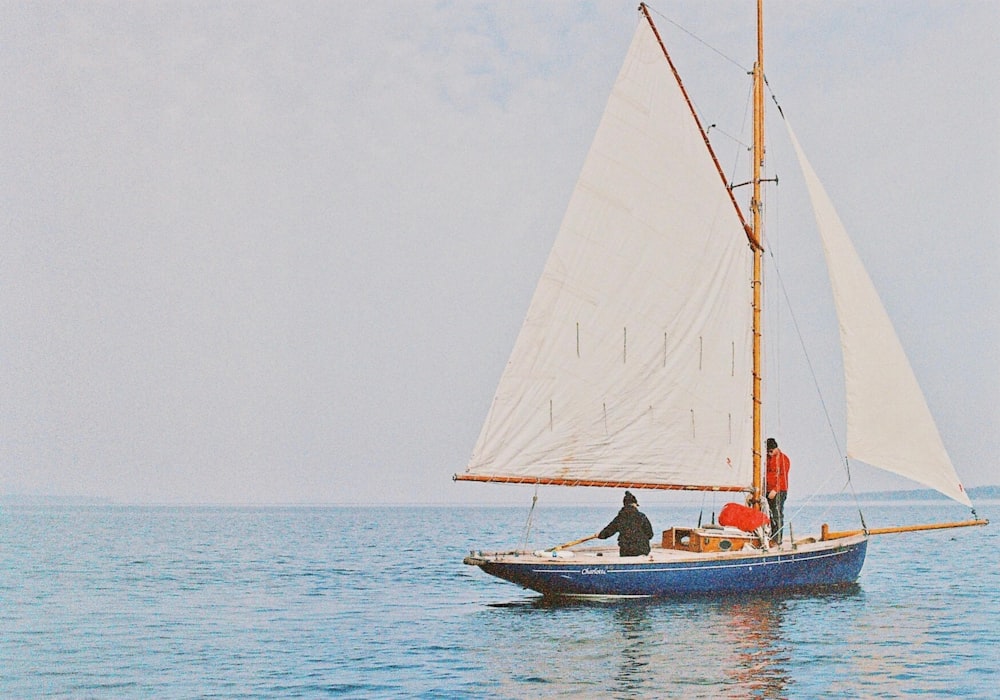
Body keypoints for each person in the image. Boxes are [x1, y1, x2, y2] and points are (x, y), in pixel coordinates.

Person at [597, 491, 653, 556]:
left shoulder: (620, 518)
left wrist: (600, 535)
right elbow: (650, 534)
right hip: (642, 550)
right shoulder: (642, 516)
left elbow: (609, 531)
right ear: (634, 504)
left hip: (626, 550)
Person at [765, 437, 791, 545]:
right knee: (767, 514)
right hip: (767, 490)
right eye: (768, 451)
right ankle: (768, 537)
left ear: (776, 448)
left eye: (771, 451)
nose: (770, 454)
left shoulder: (783, 459)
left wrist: (775, 490)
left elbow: (782, 477)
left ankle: (777, 540)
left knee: (777, 514)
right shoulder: (766, 459)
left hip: (779, 491)